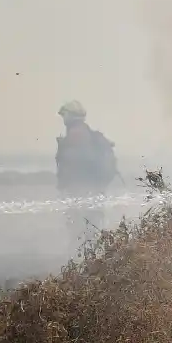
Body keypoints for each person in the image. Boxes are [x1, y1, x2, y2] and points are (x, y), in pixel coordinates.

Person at [54, 101, 117, 247]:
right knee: (91, 228)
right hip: (92, 190)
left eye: (64, 115)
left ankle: (81, 260)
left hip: (81, 191)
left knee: (79, 230)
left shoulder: (76, 135)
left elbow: (76, 164)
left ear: (70, 116)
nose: (63, 119)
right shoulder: (86, 133)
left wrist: (70, 186)